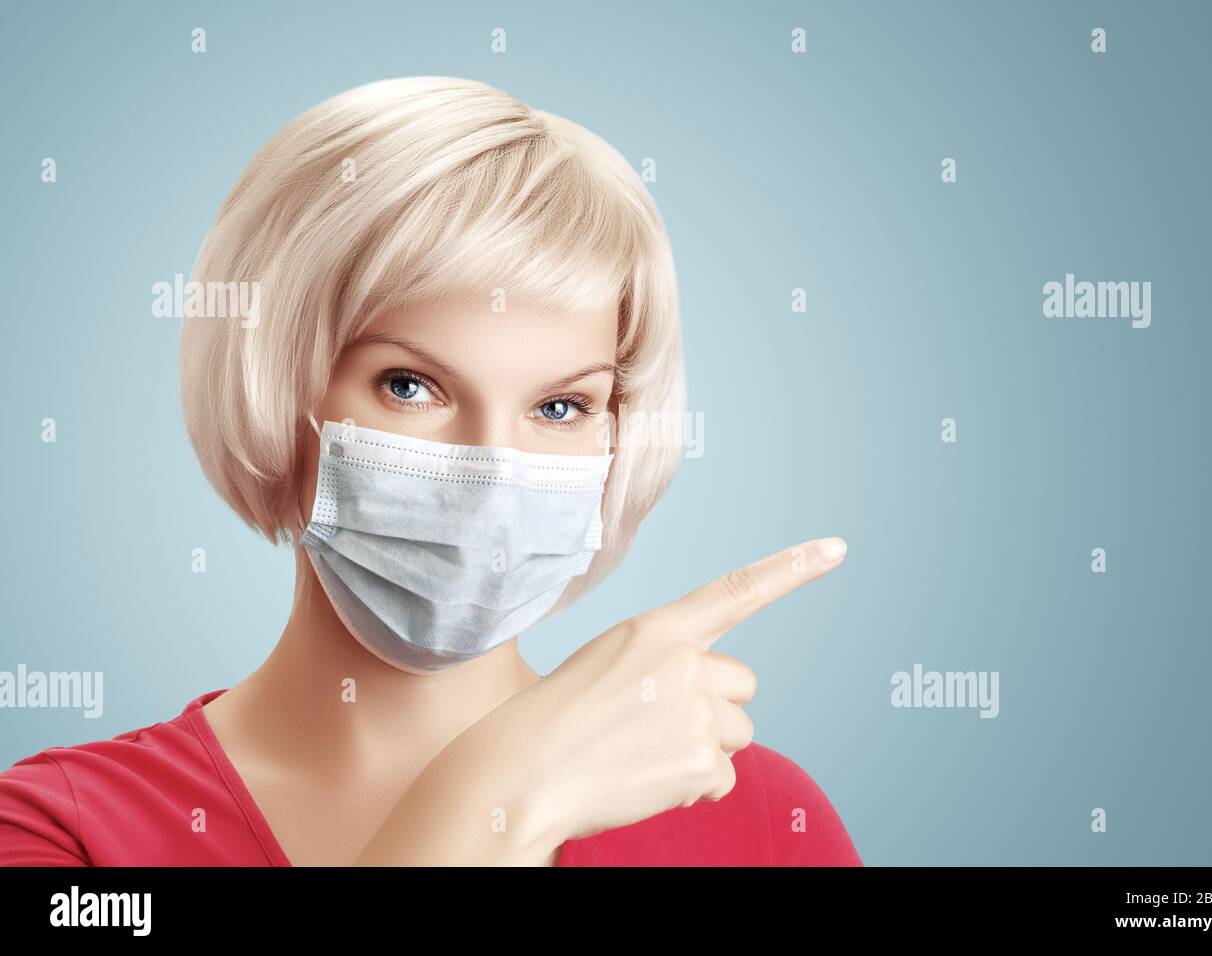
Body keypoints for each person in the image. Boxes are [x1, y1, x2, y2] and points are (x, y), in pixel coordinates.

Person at [0, 77, 861, 866]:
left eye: (560, 407)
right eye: (410, 386)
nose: (494, 472)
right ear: (276, 383)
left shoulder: (760, 823)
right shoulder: (63, 831)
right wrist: (487, 797)